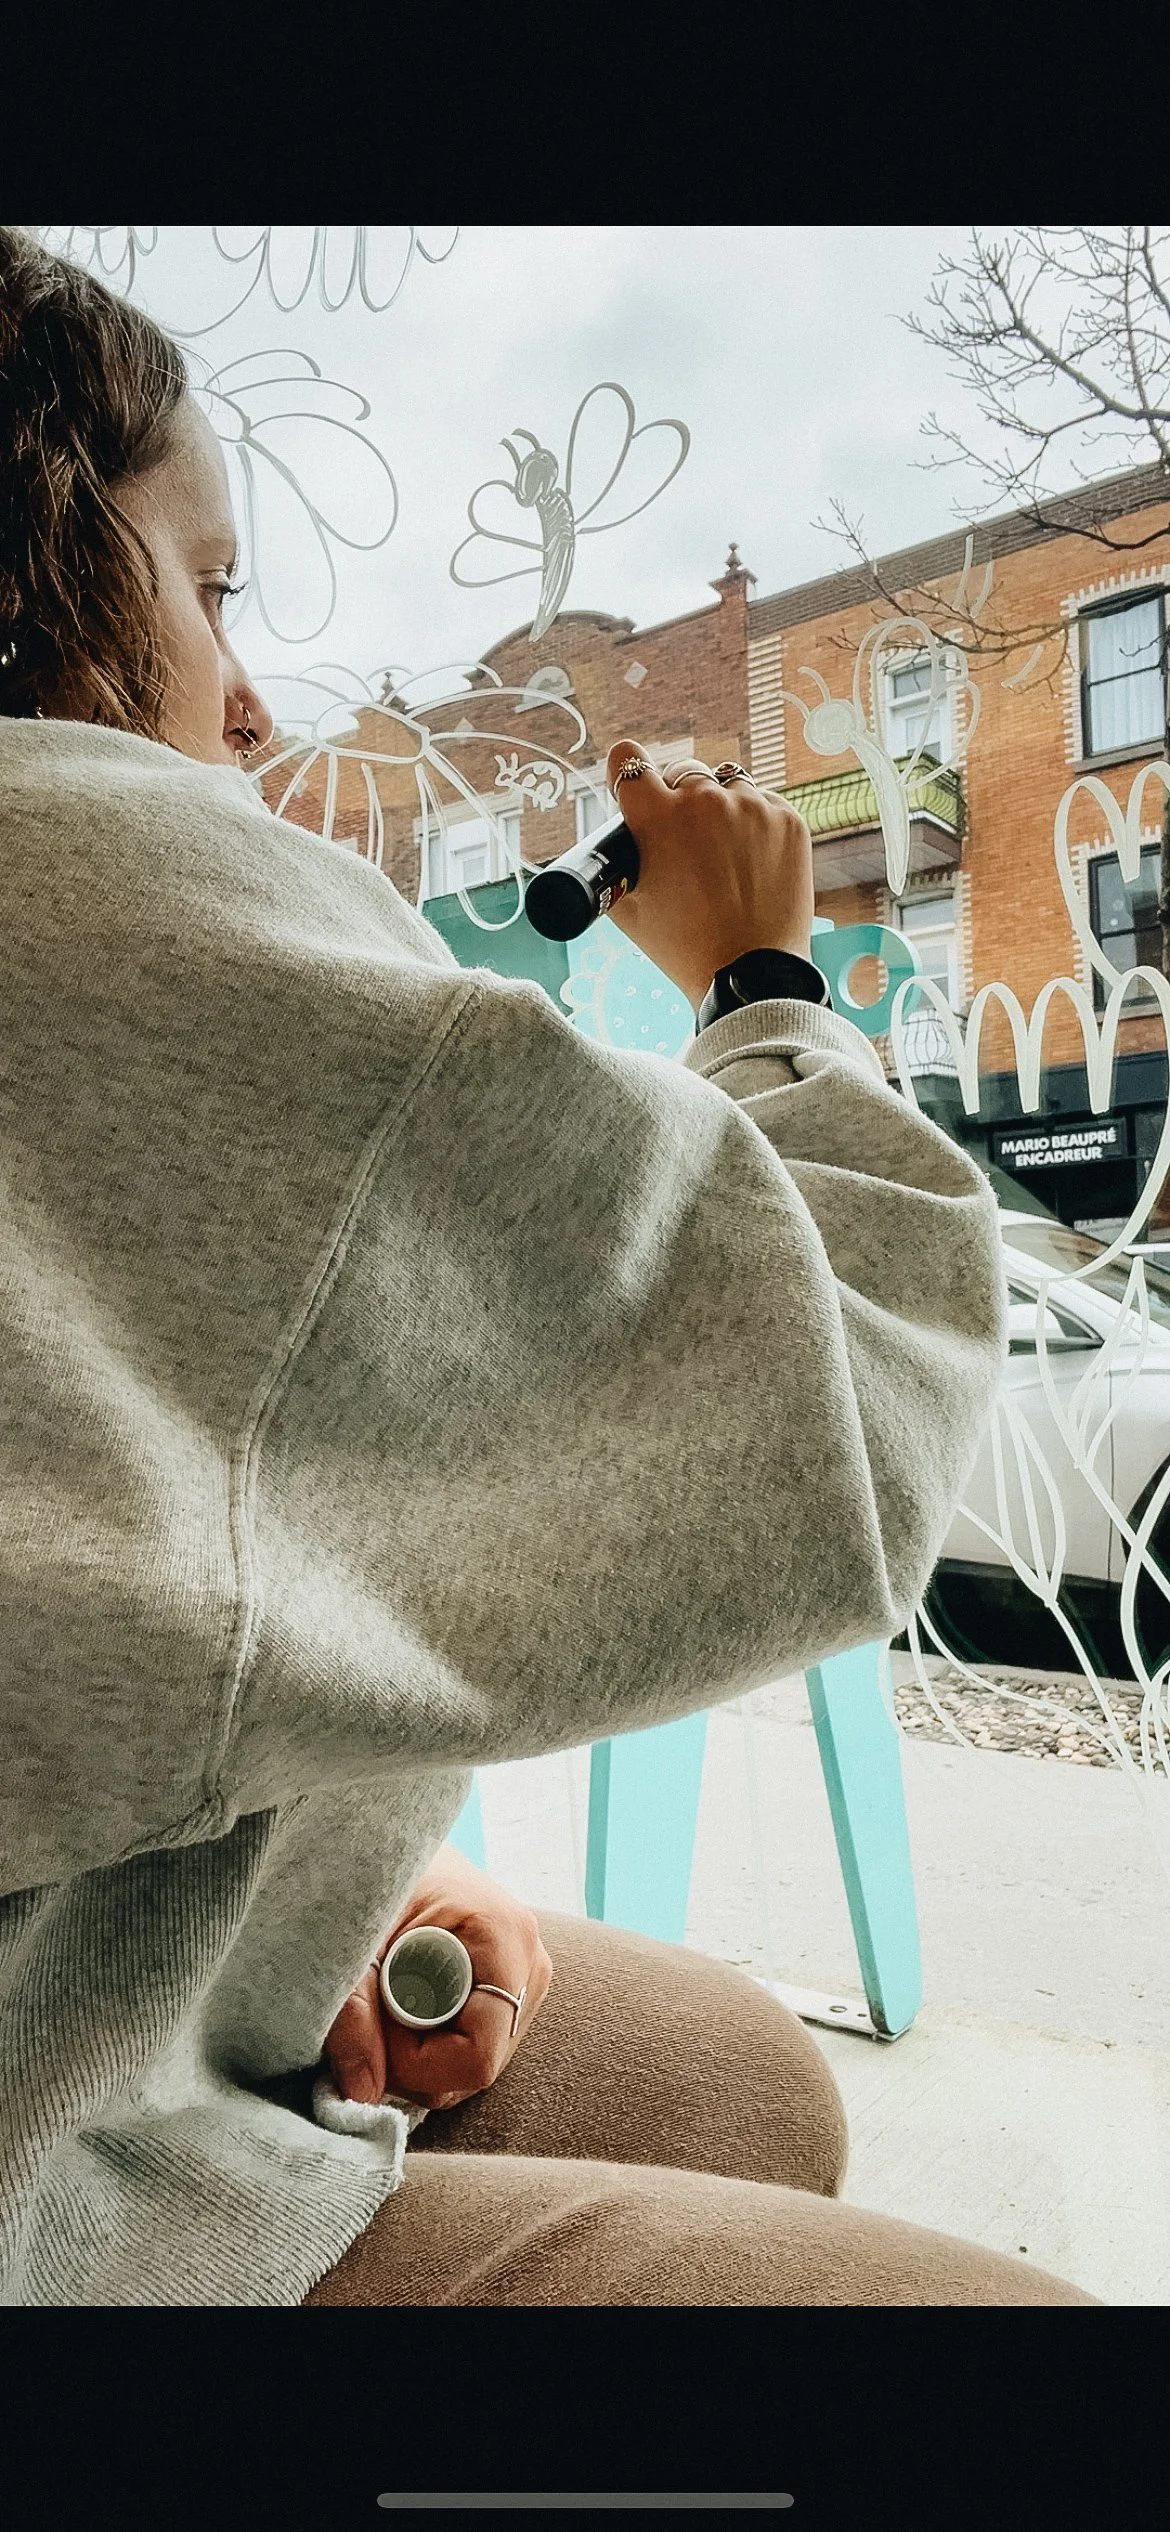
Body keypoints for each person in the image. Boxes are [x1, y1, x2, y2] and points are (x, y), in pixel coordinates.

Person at [0, 227, 1098, 2308]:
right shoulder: (113, 876)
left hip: (90, 1962)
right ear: (29, 558)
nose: (248, 702)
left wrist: (351, 1861)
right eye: (207, 586)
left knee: (715, 2071)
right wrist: (762, 975)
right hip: (54, 2183)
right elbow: (844, 1410)